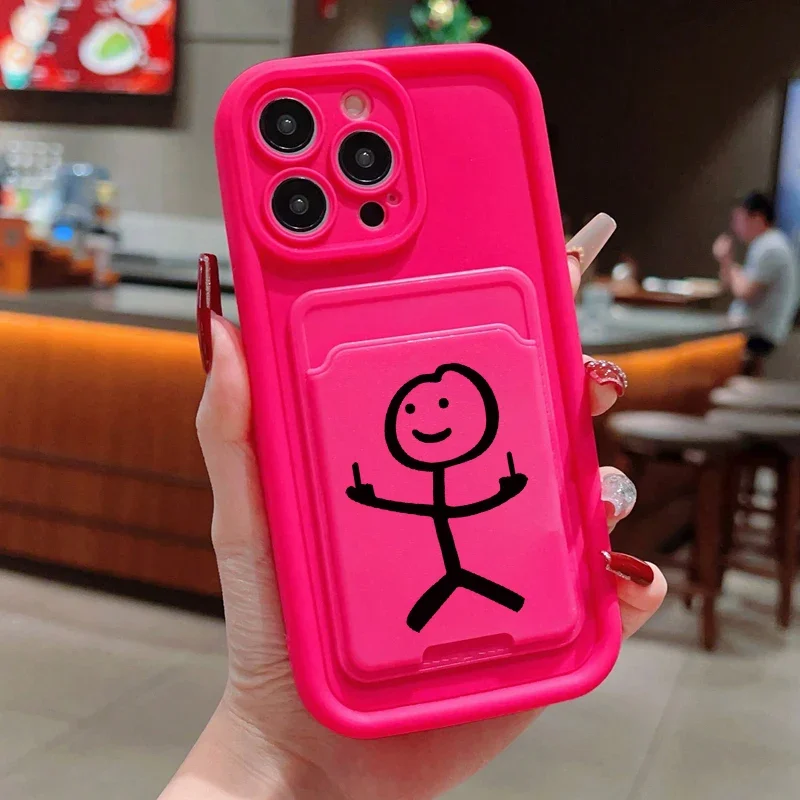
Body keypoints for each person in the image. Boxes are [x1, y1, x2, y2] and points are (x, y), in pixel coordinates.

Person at [159, 218, 666, 800]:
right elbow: (412, 498)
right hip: (305, 730)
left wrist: (281, 760)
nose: (427, 420)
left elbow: (482, 493)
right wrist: (274, 744)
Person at [713, 192, 800, 376]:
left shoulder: (770, 248)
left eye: (739, 220)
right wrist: (727, 264)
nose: (735, 227)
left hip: (758, 334)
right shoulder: (764, 244)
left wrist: (727, 260)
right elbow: (730, 283)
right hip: (753, 330)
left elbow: (744, 291)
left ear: (758, 218)